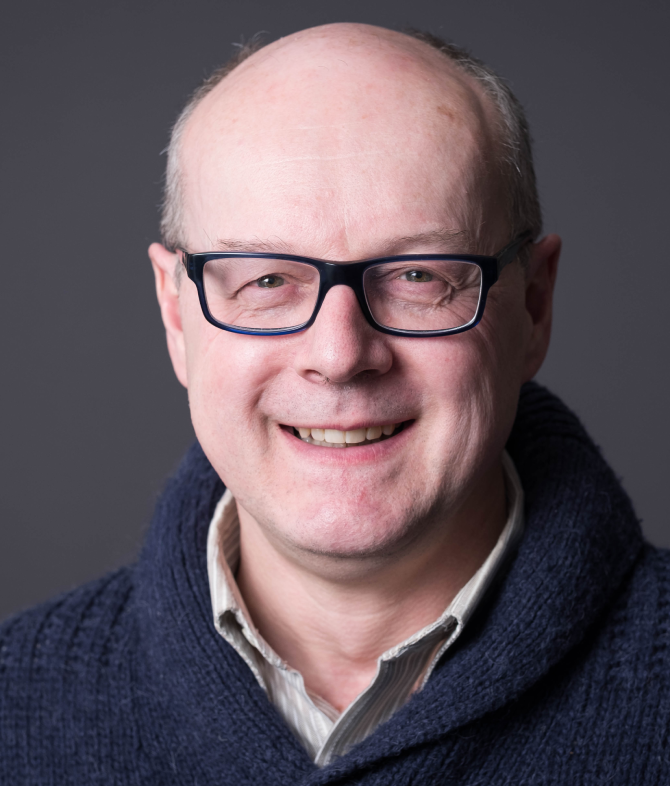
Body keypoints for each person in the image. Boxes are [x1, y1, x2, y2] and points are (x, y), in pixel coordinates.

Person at [1, 22, 668, 784]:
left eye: (419, 275)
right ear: (177, 315)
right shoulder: (13, 703)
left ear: (535, 306)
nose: (340, 355)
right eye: (265, 279)